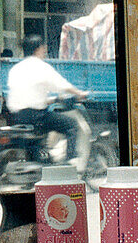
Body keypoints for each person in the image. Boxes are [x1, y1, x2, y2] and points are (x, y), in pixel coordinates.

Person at [6, 34, 89, 170]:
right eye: (43, 48)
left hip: (18, 116)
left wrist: (51, 100)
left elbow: (29, 94)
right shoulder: (41, 66)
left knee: (39, 139)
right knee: (71, 125)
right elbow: (61, 84)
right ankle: (70, 161)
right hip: (36, 116)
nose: (45, 50)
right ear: (38, 49)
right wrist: (79, 93)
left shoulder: (16, 69)